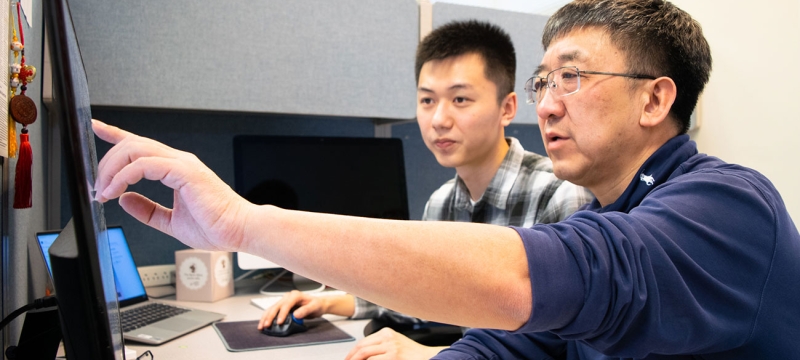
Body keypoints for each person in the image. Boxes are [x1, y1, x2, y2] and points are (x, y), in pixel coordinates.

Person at [92, 0, 800, 357]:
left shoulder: (727, 205)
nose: (548, 102)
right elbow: (526, 339)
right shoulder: (610, 213)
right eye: (544, 78)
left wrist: (244, 224)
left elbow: (536, 283)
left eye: (574, 77)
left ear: (654, 99)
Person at [255, 20, 593, 360]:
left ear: (507, 108)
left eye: (460, 99)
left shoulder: (560, 194)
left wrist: (427, 355)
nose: (439, 119)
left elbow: (566, 345)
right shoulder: (443, 203)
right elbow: (426, 297)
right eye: (427, 100)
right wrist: (329, 301)